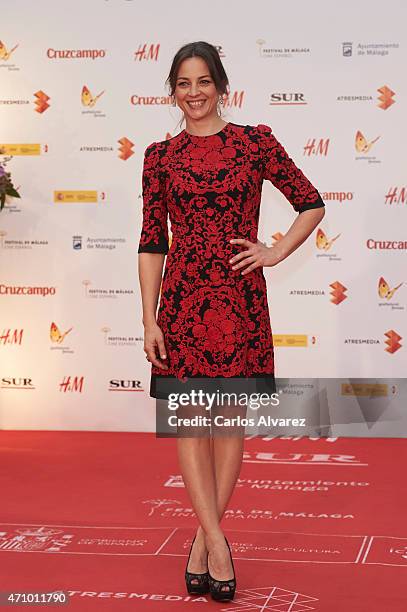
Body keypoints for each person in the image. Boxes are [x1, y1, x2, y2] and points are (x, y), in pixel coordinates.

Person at [138, 41, 325, 602]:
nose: (193, 93)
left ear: (221, 86)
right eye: (182, 84)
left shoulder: (254, 142)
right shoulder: (159, 157)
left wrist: (275, 251)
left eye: (203, 82)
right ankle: (218, 543)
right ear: (172, 91)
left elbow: (310, 202)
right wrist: (148, 317)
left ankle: (201, 540)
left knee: (227, 427)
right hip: (184, 302)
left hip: (239, 303)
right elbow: (152, 243)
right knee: (193, 426)